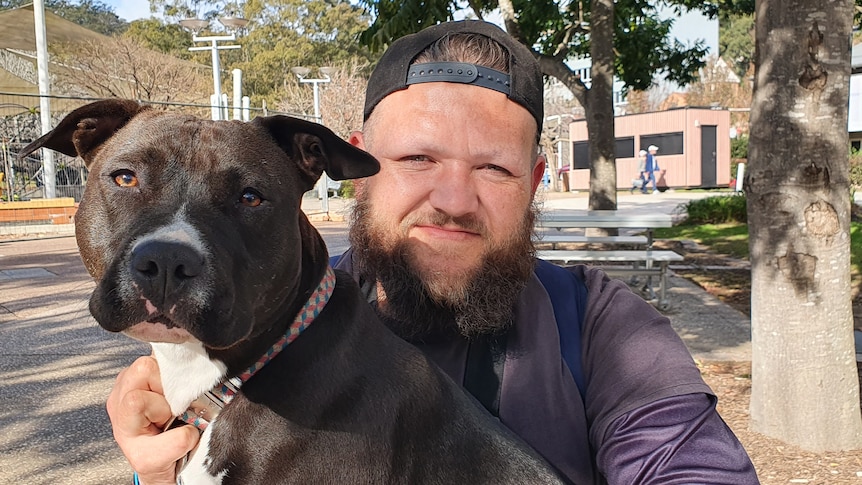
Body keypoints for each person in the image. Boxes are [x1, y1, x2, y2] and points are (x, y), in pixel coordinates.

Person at [107, 20, 759, 484]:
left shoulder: (599, 328)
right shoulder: (261, 323)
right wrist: (164, 466)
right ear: (359, 167)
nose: (453, 197)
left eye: (494, 169)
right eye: (418, 158)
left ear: (534, 184)